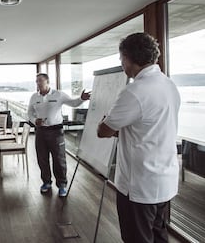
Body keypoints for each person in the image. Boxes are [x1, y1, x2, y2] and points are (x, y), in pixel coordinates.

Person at [97, 33, 180, 243]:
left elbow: (103, 131)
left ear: (128, 58)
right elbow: (150, 126)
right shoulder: (169, 85)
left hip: (139, 186)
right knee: (159, 236)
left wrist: (107, 122)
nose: (122, 64)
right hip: (164, 180)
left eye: (121, 59)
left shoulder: (134, 92)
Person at [28, 73, 90, 197]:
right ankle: (46, 182)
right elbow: (29, 112)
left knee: (59, 159)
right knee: (42, 159)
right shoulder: (34, 96)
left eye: (40, 81)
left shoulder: (59, 94)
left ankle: (62, 185)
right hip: (40, 131)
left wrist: (82, 98)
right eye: (37, 81)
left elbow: (73, 103)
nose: (38, 83)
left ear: (47, 81)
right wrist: (35, 120)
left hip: (56, 132)